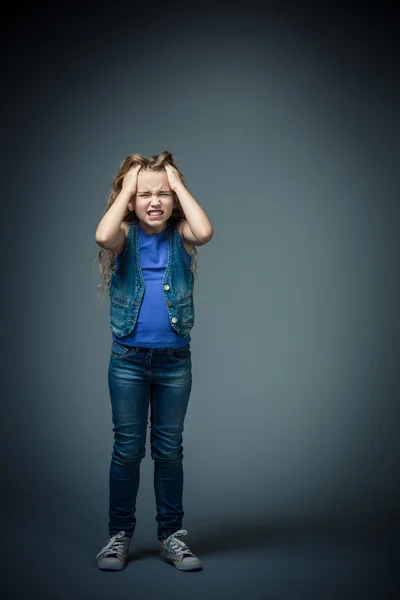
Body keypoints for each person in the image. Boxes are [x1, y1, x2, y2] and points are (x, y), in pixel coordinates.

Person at [94, 151, 213, 571]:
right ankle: (118, 536)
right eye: (145, 194)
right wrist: (129, 186)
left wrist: (177, 183)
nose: (155, 201)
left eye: (163, 193)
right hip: (127, 360)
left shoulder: (180, 234)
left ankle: (172, 536)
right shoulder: (125, 235)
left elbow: (205, 230)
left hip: (173, 362)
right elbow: (101, 236)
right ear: (130, 201)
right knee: (127, 449)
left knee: (168, 449)